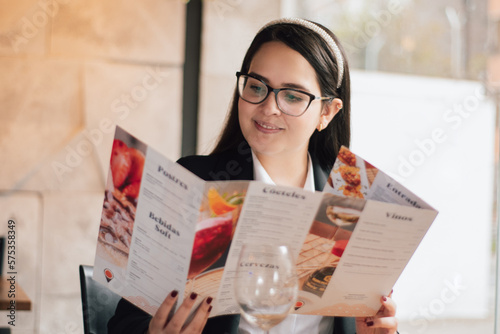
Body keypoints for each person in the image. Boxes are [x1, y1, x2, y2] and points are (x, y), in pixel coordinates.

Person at [108, 17, 398, 334]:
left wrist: (381, 330)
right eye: (257, 87)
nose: (268, 107)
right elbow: (124, 323)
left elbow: (372, 320)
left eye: (292, 96)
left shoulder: (354, 197)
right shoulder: (191, 182)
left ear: (326, 112)